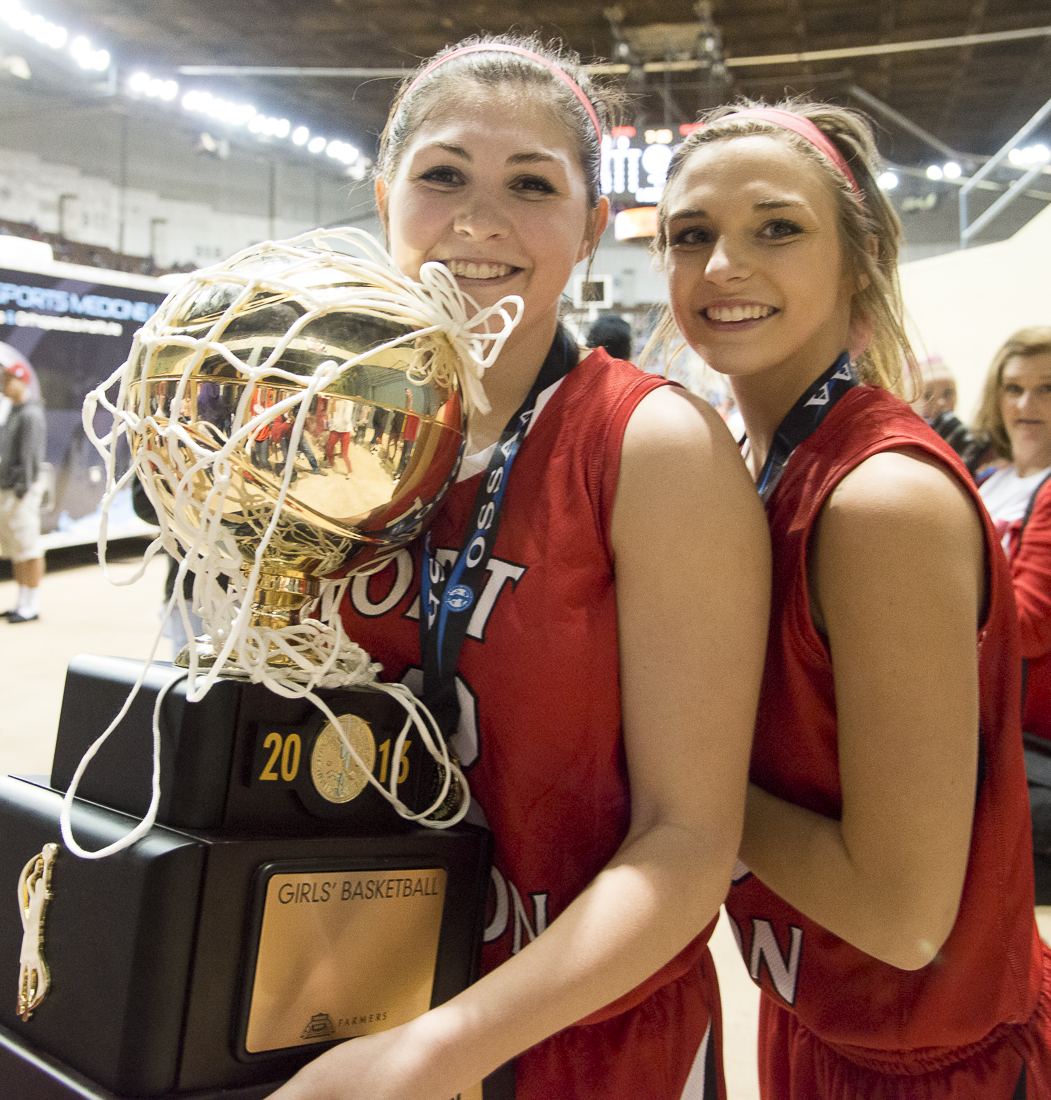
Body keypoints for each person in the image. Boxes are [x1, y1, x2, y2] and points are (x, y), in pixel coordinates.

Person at [269, 34, 770, 1100]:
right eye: (443, 174)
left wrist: (432, 1052)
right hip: (338, 1005)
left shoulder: (650, 444)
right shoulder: (328, 434)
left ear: (592, 227)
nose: (480, 219)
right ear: (385, 196)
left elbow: (686, 844)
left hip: (580, 1047)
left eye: (531, 184)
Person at [654, 101, 1051, 1098]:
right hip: (820, 1011)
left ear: (857, 255)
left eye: (775, 228)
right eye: (690, 235)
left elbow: (900, 913)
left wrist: (671, 786)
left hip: (928, 1059)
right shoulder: (754, 466)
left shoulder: (878, 500)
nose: (721, 268)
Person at [975, 327, 1051, 744]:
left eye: (1046, 389)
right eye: (1014, 388)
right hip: (981, 712)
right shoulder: (990, 479)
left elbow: (1029, 625)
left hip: (1025, 731)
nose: (1026, 405)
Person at [0, 358, 47, 623]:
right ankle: (21, 600)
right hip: (10, 490)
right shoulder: (15, 411)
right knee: (17, 548)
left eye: (7, 379)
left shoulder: (30, 414)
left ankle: (32, 604)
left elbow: (29, 458)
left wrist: (21, 491)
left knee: (28, 548)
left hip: (20, 492)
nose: (3, 385)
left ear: (22, 380)